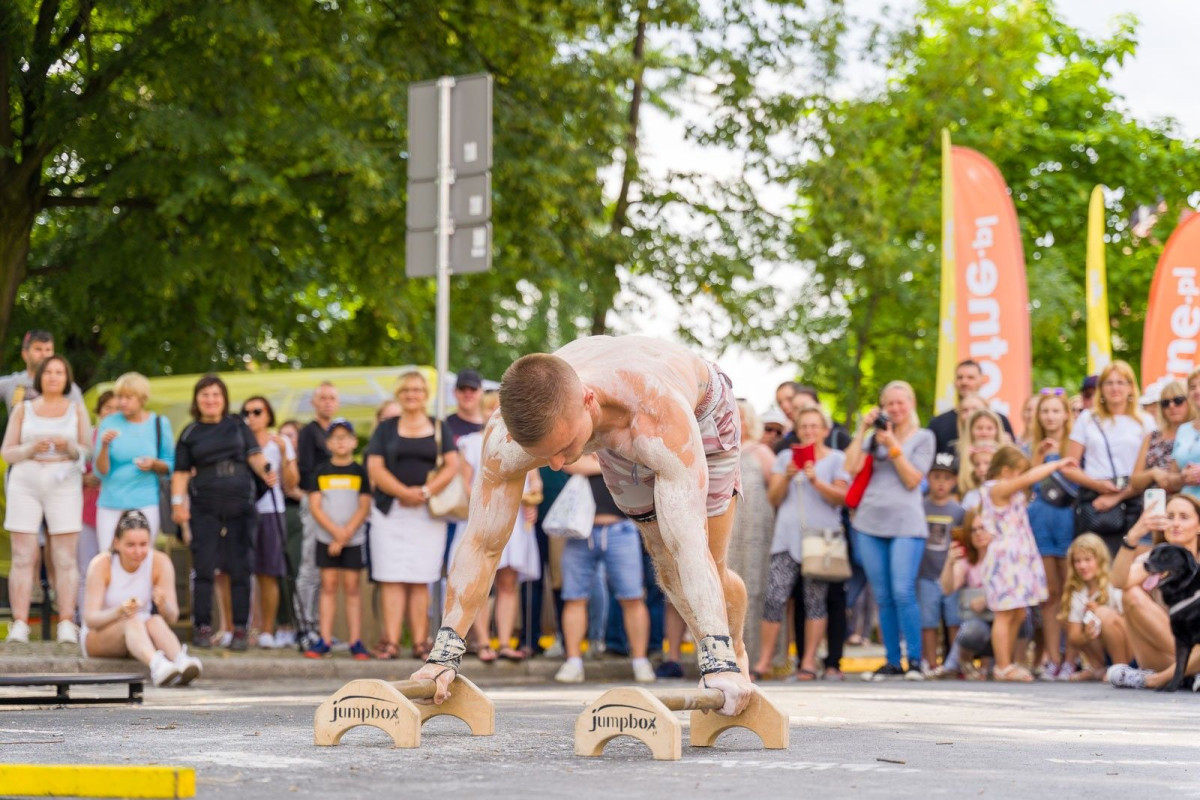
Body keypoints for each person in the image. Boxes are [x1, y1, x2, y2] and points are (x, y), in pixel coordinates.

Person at [409, 335, 754, 716]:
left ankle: (732, 652)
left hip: (700, 411)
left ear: (589, 401)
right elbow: (482, 544)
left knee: (707, 565)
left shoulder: (657, 415)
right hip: (613, 428)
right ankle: (721, 651)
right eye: (544, 456)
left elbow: (690, 545)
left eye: (564, 447)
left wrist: (718, 663)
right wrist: (443, 657)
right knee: (665, 563)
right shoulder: (503, 437)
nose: (557, 465)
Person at [171, 375, 276, 650]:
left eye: (216, 395)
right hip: (204, 505)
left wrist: (266, 470)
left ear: (224, 399)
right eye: (205, 395)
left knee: (241, 566)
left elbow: (254, 455)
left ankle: (241, 629)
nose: (210, 400)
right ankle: (202, 626)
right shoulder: (190, 432)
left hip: (241, 504)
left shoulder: (238, 425)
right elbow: (181, 474)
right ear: (197, 400)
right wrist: (177, 505)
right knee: (204, 567)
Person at [844, 381, 935, 681]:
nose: (895, 409)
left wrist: (893, 445)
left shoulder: (924, 437)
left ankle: (916, 661)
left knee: (902, 591)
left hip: (906, 524)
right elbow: (851, 467)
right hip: (869, 522)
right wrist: (862, 431)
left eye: (901, 403)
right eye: (890, 404)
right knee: (882, 595)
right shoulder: (872, 438)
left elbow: (912, 480)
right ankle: (892, 660)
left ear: (910, 404)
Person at [366, 370, 459, 660]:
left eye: (417, 389)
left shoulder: (439, 427)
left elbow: (452, 465)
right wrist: (402, 492)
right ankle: (391, 641)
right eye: (406, 390)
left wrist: (426, 491)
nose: (412, 394)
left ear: (425, 394)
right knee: (391, 576)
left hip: (428, 513)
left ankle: (421, 642)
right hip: (389, 511)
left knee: (421, 577)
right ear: (399, 394)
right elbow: (375, 467)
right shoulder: (385, 428)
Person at [753, 406, 848, 681]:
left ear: (825, 430)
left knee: (815, 601)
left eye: (814, 426)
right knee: (774, 598)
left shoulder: (836, 459)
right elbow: (773, 497)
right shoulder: (785, 458)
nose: (808, 431)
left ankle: (808, 663)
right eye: (804, 426)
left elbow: (841, 498)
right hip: (786, 539)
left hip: (821, 541)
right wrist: (789, 476)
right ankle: (764, 662)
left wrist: (816, 481)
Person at [2, 355, 92, 644]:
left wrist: (70, 447)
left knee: (65, 557)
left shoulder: (76, 409)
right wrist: (29, 447)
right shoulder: (23, 409)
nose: (54, 377)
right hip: (26, 480)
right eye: (49, 372)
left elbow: (87, 451)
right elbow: (7, 452)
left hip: (64, 481)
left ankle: (66, 621)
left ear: (67, 378)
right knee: (23, 556)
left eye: (60, 372)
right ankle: (20, 623)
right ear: (40, 376)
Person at [977, 446, 1074, 681]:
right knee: (1004, 613)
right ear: (1006, 470)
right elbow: (1029, 478)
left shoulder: (1011, 487)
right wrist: (1055, 464)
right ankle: (1002, 666)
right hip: (1005, 558)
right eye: (1018, 471)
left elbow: (1026, 478)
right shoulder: (996, 488)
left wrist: (1037, 457)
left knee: (1018, 613)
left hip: (1020, 556)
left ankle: (1007, 661)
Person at [553, 453, 653, 683]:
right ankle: (573, 661)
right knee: (574, 598)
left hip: (621, 529)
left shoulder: (622, 439)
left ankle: (640, 662)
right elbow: (568, 463)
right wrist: (613, 466)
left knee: (632, 597)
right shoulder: (582, 436)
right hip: (580, 531)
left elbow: (638, 465)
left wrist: (597, 464)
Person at [457, 392, 542, 662]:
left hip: (515, 520)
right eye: (489, 408)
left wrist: (532, 501)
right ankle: (483, 642)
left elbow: (535, 483)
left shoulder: (525, 442)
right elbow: (467, 486)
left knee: (508, 582)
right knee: (481, 581)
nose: (495, 413)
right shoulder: (470, 443)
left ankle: (505, 641)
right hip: (484, 515)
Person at [80, 510, 203, 686]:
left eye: (143, 544)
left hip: (140, 633)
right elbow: (90, 619)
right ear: (117, 543)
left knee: (155, 621)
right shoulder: (102, 564)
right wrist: (119, 611)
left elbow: (173, 616)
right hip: (100, 635)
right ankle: (158, 665)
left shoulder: (160, 562)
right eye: (130, 545)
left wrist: (164, 605)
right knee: (132, 621)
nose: (138, 552)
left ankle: (181, 660)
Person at [1107, 495, 1200, 690]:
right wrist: (1133, 537)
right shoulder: (1154, 558)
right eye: (1169, 516)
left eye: (1184, 517)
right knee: (1130, 594)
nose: (1175, 523)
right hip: (1171, 650)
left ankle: (1156, 679)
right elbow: (1118, 581)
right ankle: (1188, 673)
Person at [1062, 361, 1154, 555]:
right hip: (1095, 501)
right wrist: (1097, 485)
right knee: (1093, 559)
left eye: (1120, 382)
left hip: (1133, 497)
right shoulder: (1087, 419)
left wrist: (1117, 496)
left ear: (1131, 387)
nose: (1115, 388)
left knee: (1129, 561)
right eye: (1109, 383)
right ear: (1101, 389)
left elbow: (1149, 469)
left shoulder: (1145, 421)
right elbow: (1069, 466)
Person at [304, 418, 372, 660]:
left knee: (353, 588)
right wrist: (335, 533)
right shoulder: (321, 471)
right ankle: (324, 639)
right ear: (327, 443)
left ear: (354, 441)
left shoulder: (360, 471)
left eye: (345, 437)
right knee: (329, 587)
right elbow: (315, 505)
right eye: (335, 437)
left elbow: (364, 506)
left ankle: (355, 641)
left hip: (352, 539)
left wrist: (344, 536)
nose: (341, 442)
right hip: (326, 538)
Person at [240, 396, 299, 649]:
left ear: (268, 414)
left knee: (269, 573)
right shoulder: (238, 439)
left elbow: (291, 483)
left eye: (257, 411)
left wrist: (284, 454)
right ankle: (241, 629)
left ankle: (266, 630)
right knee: (241, 573)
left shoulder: (280, 442)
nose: (251, 416)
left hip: (271, 511)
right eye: (246, 412)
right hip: (242, 510)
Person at [1027, 391, 1077, 679]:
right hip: (1041, 522)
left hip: (1068, 520)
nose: (1050, 416)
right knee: (1050, 594)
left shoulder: (1076, 445)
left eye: (1056, 411)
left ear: (1066, 414)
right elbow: (1025, 487)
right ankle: (1052, 659)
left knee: (1071, 592)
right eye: (1045, 411)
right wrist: (1037, 456)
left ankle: (1071, 658)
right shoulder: (1031, 446)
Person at [94, 373, 175, 552]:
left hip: (146, 501)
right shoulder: (108, 423)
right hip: (111, 502)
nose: (122, 402)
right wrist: (105, 446)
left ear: (142, 399)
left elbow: (170, 464)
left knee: (142, 556)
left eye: (128, 397)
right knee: (108, 556)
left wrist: (153, 464)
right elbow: (100, 472)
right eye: (120, 397)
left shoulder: (159, 424)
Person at [296, 381, 339, 637]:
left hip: (339, 507)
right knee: (310, 565)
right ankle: (305, 625)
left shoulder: (337, 432)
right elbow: (305, 474)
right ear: (314, 402)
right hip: (316, 503)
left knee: (328, 571)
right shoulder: (308, 433)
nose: (327, 402)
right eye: (322, 398)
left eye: (332, 398)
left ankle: (322, 629)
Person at [1059, 533, 1130, 681]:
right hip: (1102, 648)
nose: (1082, 566)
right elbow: (1073, 636)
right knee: (1071, 618)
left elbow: (1131, 623)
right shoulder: (1078, 592)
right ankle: (1097, 667)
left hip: (1128, 646)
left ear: (1100, 560)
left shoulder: (1113, 585)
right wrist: (1087, 635)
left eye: (1087, 560)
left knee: (1103, 615)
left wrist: (1102, 612)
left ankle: (1120, 668)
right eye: (1077, 561)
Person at [919, 452, 964, 672]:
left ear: (954, 481)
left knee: (954, 620)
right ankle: (931, 662)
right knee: (928, 622)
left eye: (946, 478)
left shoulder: (958, 511)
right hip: (925, 574)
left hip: (951, 575)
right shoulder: (921, 507)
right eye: (936, 477)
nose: (941, 482)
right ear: (928, 478)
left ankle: (954, 662)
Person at [932, 511, 991, 680]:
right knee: (972, 628)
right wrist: (949, 562)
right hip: (978, 626)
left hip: (1004, 624)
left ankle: (993, 667)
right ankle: (956, 665)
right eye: (973, 530)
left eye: (983, 528)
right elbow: (947, 589)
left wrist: (988, 599)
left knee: (1023, 622)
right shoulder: (967, 561)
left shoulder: (1004, 557)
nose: (978, 533)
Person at [76, 391, 118, 619]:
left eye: (116, 408)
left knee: (113, 567)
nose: (111, 412)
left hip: (114, 509)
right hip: (86, 510)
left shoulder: (124, 437)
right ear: (99, 412)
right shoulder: (87, 437)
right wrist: (83, 479)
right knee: (87, 568)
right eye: (107, 408)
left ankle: (109, 616)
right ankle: (85, 618)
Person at [927, 360, 1015, 455]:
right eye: (960, 377)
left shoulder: (999, 420)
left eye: (970, 378)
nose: (964, 382)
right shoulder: (938, 423)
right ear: (954, 382)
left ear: (981, 381)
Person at [274, 419, 306, 647]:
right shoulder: (270, 459)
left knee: (298, 571)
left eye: (291, 435)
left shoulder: (306, 462)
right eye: (282, 435)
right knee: (279, 573)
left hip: (300, 517)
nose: (286, 440)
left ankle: (303, 625)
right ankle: (283, 624)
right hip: (275, 515)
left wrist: (298, 493)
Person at [0, 329, 84, 411]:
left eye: (48, 350)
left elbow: (81, 421)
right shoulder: (12, 383)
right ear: (25, 354)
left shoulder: (65, 387)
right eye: (38, 349)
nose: (44, 354)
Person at [1173, 368, 1200, 501]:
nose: (1197, 391)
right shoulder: (1183, 430)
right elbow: (1171, 476)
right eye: (1193, 387)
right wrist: (1182, 477)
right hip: (1187, 509)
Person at [446, 369, 485, 444]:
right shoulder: (445, 426)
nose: (467, 394)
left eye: (473, 389)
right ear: (454, 392)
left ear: (481, 392)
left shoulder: (491, 426)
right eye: (462, 389)